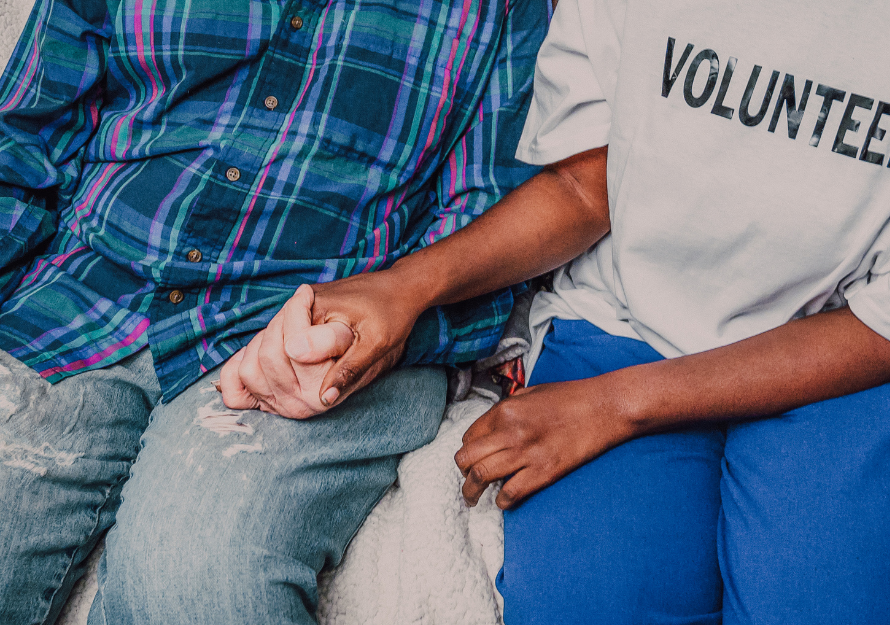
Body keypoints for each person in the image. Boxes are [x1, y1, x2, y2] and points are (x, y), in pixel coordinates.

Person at [253, 0, 890, 623]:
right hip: (624, 324)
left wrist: (619, 404)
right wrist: (409, 285)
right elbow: (586, 189)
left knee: (823, 604)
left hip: (856, 365)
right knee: (589, 600)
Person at [0, 0, 547, 622]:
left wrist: (378, 324)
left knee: (198, 586)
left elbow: (490, 225)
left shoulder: (504, 11)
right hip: (81, 293)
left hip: (314, 329)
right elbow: (22, 136)